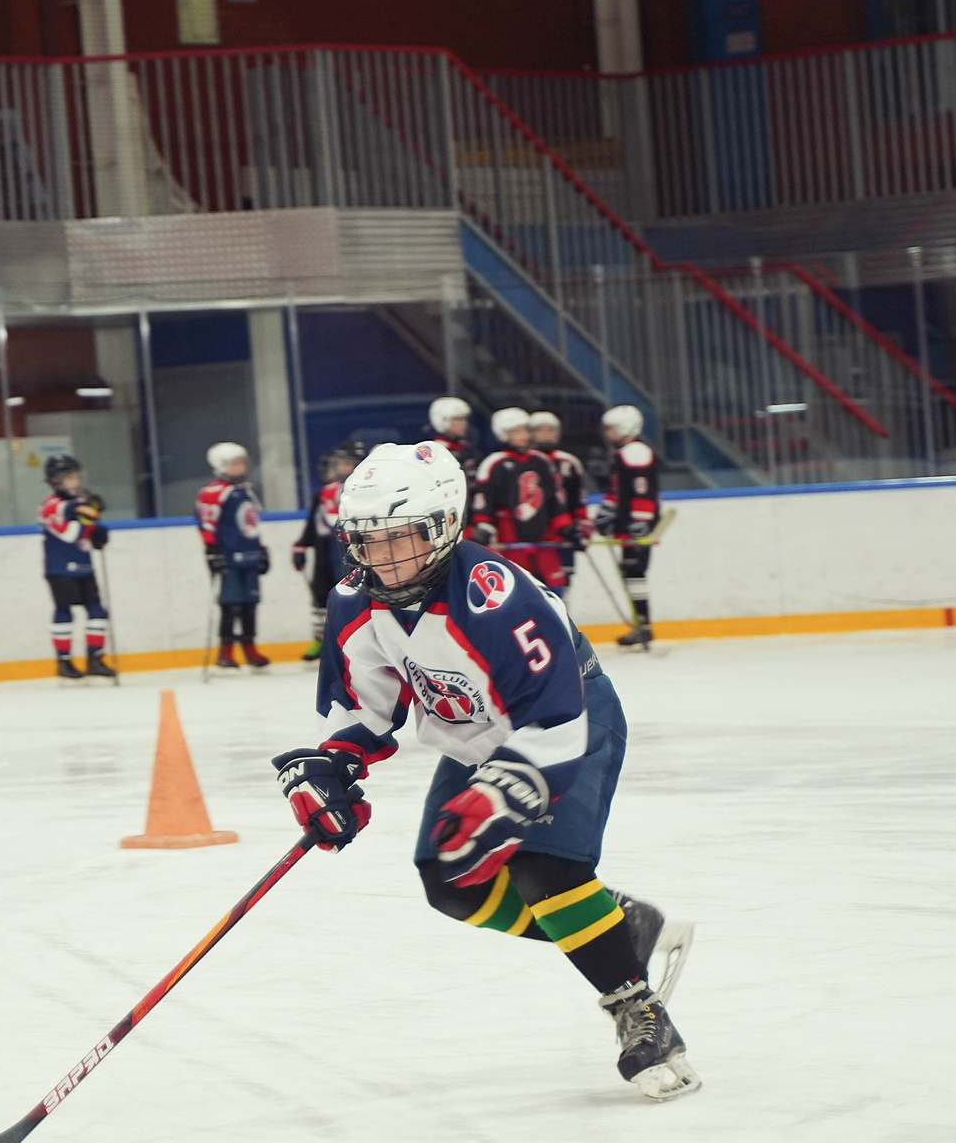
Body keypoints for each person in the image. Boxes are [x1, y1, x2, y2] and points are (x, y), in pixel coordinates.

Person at [269, 442, 699, 1101]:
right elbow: (363, 702)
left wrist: (507, 791)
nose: (381, 558)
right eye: (367, 540)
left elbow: (556, 716)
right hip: (477, 738)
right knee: (450, 880)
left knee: (541, 866)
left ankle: (639, 1010)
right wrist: (332, 766)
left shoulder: (497, 598)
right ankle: (618, 928)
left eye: (399, 539)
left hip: (567, 721)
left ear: (442, 528)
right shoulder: (355, 598)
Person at [468, 406, 566, 591]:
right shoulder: (493, 464)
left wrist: (566, 526)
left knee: (554, 590)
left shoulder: (541, 462)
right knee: (519, 589)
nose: (523, 435)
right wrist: (483, 525)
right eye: (516, 431)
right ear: (504, 434)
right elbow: (484, 501)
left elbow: (555, 498)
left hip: (544, 539)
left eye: (525, 430)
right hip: (510, 540)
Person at [39, 452, 117, 680]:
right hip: (59, 568)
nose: (75, 481)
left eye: (76, 477)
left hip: (84, 565)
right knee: (64, 611)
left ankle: (95, 658)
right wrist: (87, 512)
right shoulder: (51, 505)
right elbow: (68, 532)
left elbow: (91, 538)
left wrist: (99, 533)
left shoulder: (80, 503)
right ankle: (64, 662)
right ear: (55, 480)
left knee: (97, 610)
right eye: (69, 477)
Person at [196, 441, 271, 670]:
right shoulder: (214, 492)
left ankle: (250, 649)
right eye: (235, 463)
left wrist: (260, 548)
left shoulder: (245, 490)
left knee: (250, 604)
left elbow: (250, 522)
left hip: (249, 555)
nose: (241, 467)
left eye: (242, 462)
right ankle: (225, 652)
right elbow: (207, 523)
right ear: (221, 466)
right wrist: (212, 551)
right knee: (231, 606)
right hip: (229, 557)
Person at [291, 439, 366, 662]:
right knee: (321, 594)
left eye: (348, 463)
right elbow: (314, 523)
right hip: (326, 550)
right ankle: (321, 639)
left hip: (353, 549)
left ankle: (354, 638)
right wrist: (301, 545)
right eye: (340, 463)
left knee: (352, 594)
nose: (342, 468)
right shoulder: (325, 493)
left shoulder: (364, 491)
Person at [596, 405, 662, 649]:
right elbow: (618, 491)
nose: (608, 433)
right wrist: (606, 515)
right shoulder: (624, 453)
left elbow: (642, 491)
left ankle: (643, 625)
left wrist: (640, 522)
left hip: (636, 527)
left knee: (635, 573)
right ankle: (641, 626)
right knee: (631, 573)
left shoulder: (636, 452)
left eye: (611, 428)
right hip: (628, 525)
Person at [529, 409, 588, 584]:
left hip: (564, 531)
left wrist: (581, 525)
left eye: (551, 430)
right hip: (535, 532)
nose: (547, 435)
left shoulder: (569, 462)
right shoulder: (525, 462)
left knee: (563, 579)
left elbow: (578, 497)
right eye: (541, 430)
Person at [423, 395, 480, 476]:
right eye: (458, 419)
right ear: (443, 421)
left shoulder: (468, 449)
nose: (464, 423)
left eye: (465, 419)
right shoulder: (434, 453)